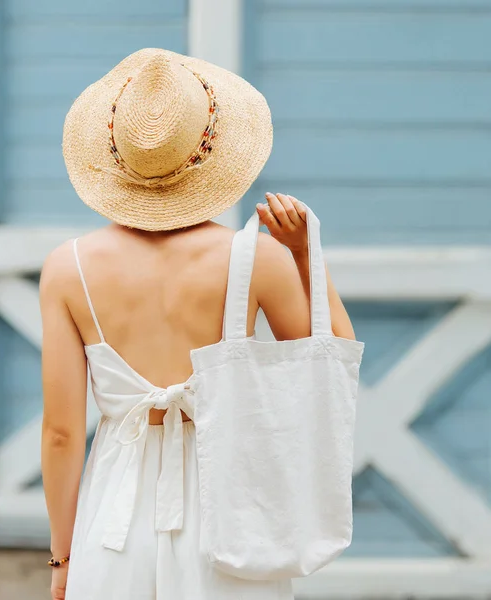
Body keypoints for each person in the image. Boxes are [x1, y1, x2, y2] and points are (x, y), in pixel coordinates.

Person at [40, 48, 356, 600]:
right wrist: (308, 257)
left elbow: (62, 433)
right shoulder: (258, 258)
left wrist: (63, 558)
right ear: (210, 154)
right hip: (231, 507)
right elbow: (330, 369)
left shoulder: (67, 268)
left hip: (115, 516)